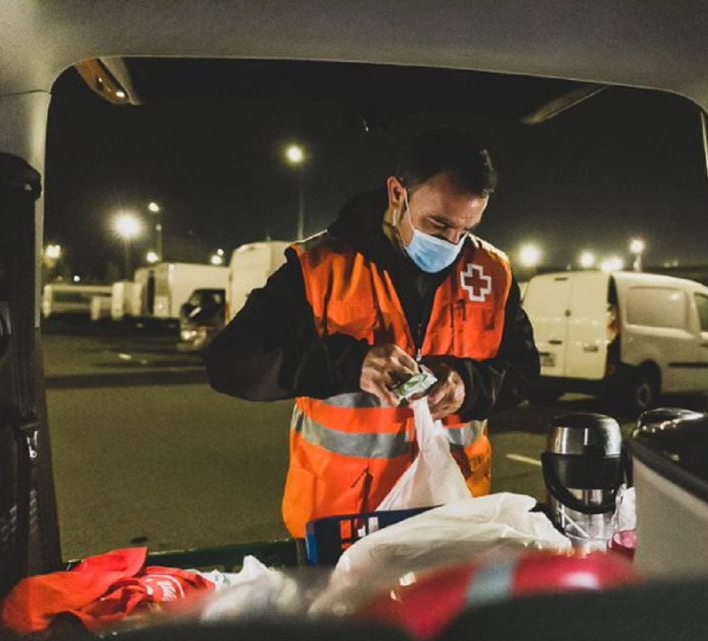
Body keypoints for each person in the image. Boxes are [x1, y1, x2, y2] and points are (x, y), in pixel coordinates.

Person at [206, 128, 540, 538]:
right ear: (397, 193)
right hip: (343, 524)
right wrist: (349, 365)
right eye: (438, 225)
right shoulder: (320, 267)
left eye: (465, 229)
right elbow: (230, 362)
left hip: (453, 515)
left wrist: (468, 386)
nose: (452, 243)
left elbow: (524, 371)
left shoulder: (492, 272)